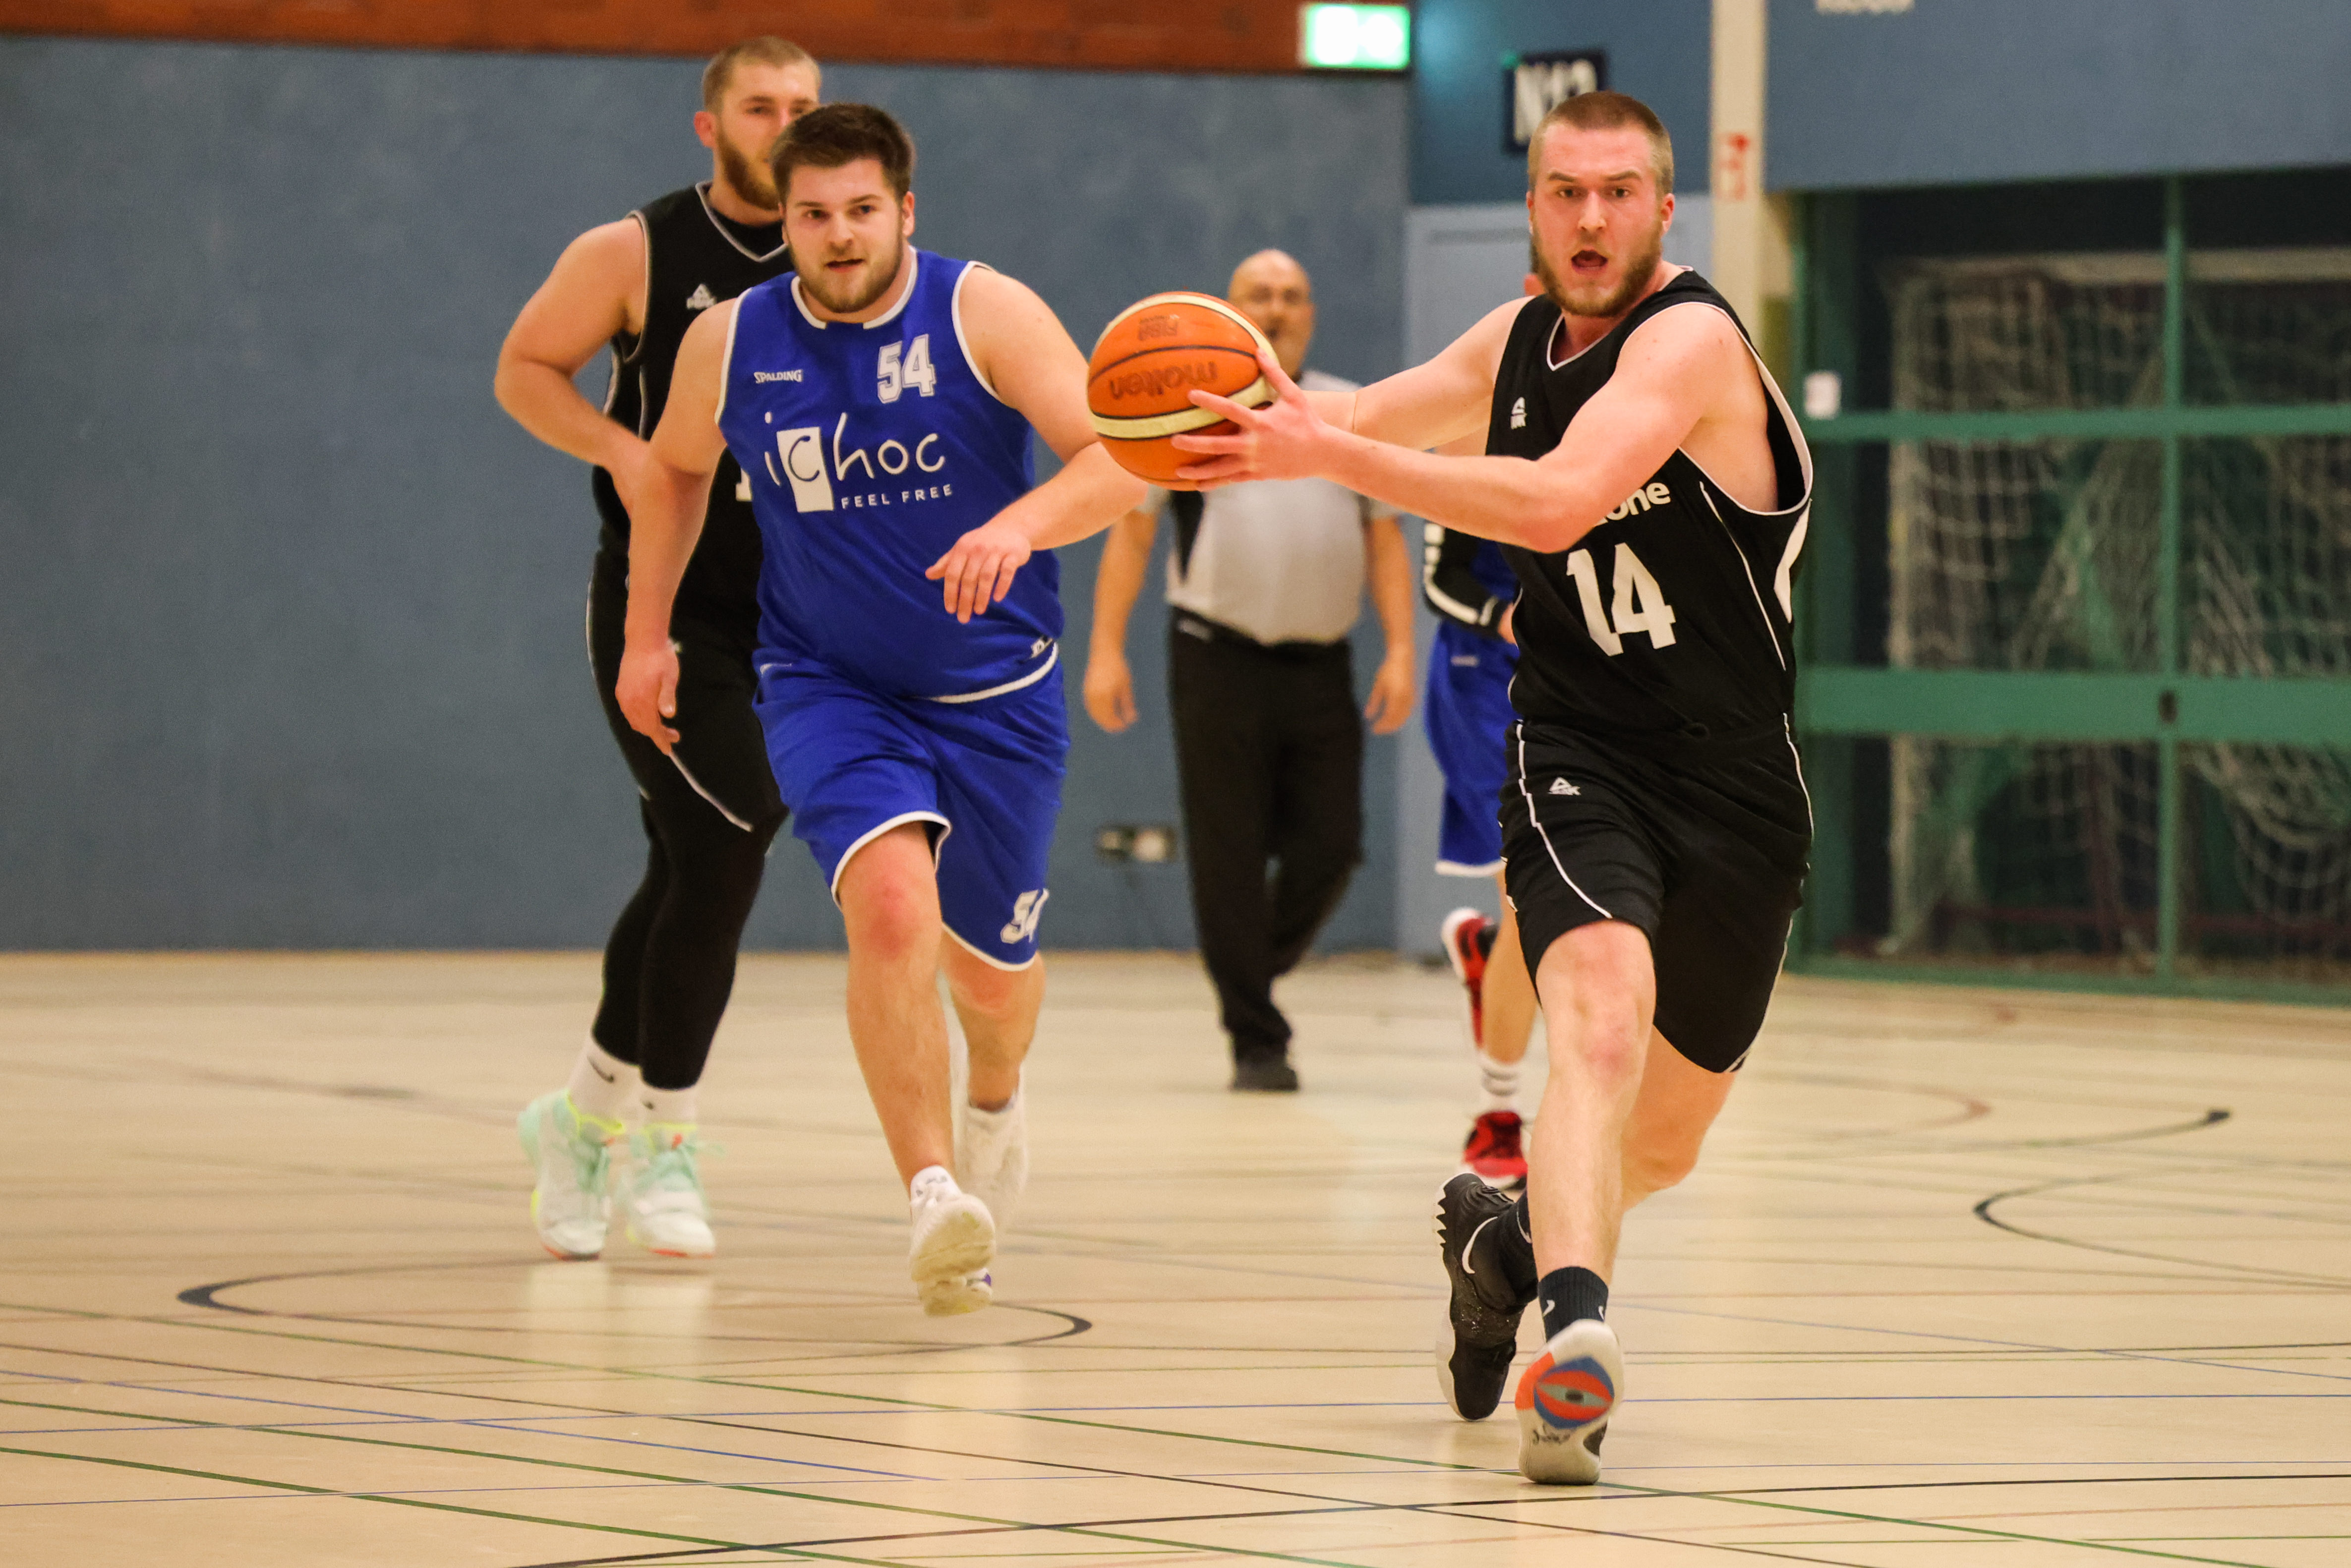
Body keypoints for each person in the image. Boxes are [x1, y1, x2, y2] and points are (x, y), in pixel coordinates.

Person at [1170, 91, 1813, 1484]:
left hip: (1736, 780)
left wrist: (1330, 454)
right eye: (1564, 191)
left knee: (1668, 1140)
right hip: (1581, 745)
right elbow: (1341, 412)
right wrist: (1210, 421)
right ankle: (1572, 1349)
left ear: (1663, 211)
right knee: (1596, 1023)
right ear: (1530, 209)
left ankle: (1503, 1249)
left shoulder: (1690, 342)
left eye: (1619, 191)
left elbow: (1557, 498)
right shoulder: (1512, 340)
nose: (1590, 216)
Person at [617, 104, 1148, 1314]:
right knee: (894, 910)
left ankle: (994, 1101)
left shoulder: (984, 311)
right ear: (785, 224)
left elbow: (1119, 457)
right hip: (828, 683)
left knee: (993, 985)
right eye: (814, 215)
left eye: (863, 210)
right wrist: (649, 635)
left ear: (905, 210)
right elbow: (676, 471)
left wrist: (1016, 528)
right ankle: (931, 1193)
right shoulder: (732, 340)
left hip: (997, 694)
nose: (840, 234)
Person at [494, 37, 821, 1262]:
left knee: (692, 862)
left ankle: (577, 1120)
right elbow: (525, 368)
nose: (784, 123)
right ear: (710, 126)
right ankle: (663, 1141)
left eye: (804, 106)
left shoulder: (840, 258)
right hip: (666, 606)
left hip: (795, 615)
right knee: (733, 830)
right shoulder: (634, 250)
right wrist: (619, 449)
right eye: (761, 105)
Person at [1083, 251, 1416, 1093]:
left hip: (1321, 663)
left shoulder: (1346, 409)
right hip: (1215, 655)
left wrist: (1402, 649)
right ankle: (1256, 1039)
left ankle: (1244, 971)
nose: (1276, 308)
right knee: (1226, 853)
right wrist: (1104, 648)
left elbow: (1383, 536)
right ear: (1229, 312)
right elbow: (1132, 530)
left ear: (1311, 314)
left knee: (1333, 846)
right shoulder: (1183, 414)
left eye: (1292, 296)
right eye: (1259, 295)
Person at [1425, 266, 1547, 1192]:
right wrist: (1501, 617)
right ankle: (1498, 1112)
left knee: (1550, 909)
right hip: (1482, 676)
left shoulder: (1635, 407)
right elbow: (1442, 576)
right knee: (1523, 892)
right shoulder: (1472, 418)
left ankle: (1488, 962)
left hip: (1582, 673)